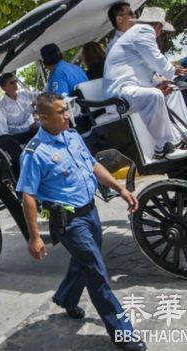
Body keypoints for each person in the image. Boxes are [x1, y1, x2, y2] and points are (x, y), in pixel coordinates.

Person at [17, 93, 146, 351]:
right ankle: (123, 333)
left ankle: (66, 297)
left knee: (85, 262)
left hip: (90, 212)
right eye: (61, 111)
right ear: (44, 118)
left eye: (67, 109)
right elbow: (28, 196)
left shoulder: (73, 137)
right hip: (69, 222)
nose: (67, 115)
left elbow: (93, 167)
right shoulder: (35, 153)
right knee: (97, 273)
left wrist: (120, 189)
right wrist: (35, 236)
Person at [103, 7, 187, 160]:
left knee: (171, 90)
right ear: (157, 25)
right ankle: (162, 148)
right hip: (119, 92)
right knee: (154, 95)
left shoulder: (136, 33)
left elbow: (145, 69)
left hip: (130, 87)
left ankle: (180, 139)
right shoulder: (143, 30)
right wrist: (171, 71)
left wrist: (158, 82)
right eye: (161, 28)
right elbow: (156, 59)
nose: (160, 32)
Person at [0, 72, 39, 143]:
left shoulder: (24, 94)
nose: (15, 84)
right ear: (4, 88)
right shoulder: (1, 106)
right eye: (11, 83)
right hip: (21, 136)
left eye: (15, 81)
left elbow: (39, 94)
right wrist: (28, 128)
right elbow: (10, 128)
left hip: (35, 128)